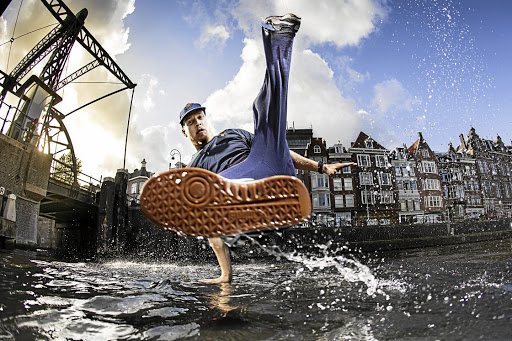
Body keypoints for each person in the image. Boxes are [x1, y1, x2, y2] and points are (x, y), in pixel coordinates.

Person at [142, 14, 356, 284]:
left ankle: (280, 37)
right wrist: (225, 274)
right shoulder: (195, 166)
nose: (197, 124)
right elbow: (210, 227)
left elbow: (277, 148)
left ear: (206, 119)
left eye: (199, 118)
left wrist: (321, 167)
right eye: (190, 123)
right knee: (204, 194)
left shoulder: (232, 133)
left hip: (266, 164)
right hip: (228, 187)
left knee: (264, 108)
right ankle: (243, 198)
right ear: (184, 131)